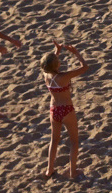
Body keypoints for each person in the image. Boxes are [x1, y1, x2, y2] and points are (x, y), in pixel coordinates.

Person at [38, 42, 88, 180]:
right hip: (66, 109)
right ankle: (72, 172)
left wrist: (56, 51)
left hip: (54, 110)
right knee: (74, 142)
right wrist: (76, 53)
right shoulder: (64, 77)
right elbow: (84, 67)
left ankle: (49, 170)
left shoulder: (46, 76)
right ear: (57, 65)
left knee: (54, 141)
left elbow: (49, 65)